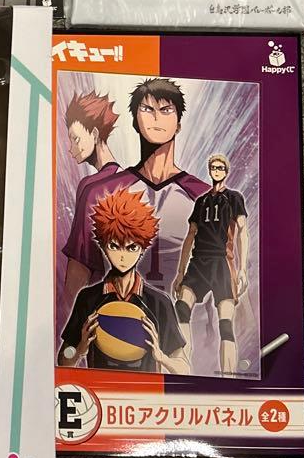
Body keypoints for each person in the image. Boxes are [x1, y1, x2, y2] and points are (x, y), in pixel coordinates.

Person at [61, 78, 208, 300]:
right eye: (147, 109)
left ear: (178, 124)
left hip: (189, 317)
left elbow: (226, 271)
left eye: (166, 110)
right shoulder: (100, 193)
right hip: (117, 314)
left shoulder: (203, 195)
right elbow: (75, 284)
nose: (156, 116)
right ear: (135, 122)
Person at [59, 187, 188, 374]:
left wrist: (162, 357)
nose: (122, 256)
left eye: (131, 247)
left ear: (142, 248)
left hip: (147, 391)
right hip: (100, 389)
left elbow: (184, 368)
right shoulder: (88, 298)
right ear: (103, 245)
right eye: (114, 246)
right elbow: (63, 359)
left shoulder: (159, 302)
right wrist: (79, 350)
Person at [172, 153, 249, 374]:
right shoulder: (201, 201)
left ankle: (228, 377)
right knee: (181, 308)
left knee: (225, 324)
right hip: (198, 262)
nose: (216, 171)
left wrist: (242, 269)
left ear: (226, 171)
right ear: (209, 170)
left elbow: (243, 231)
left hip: (221, 262)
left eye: (220, 167)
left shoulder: (233, 198)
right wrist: (180, 272)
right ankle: (183, 366)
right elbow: (190, 235)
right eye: (213, 167)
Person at [60, 91, 121, 319]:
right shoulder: (128, 180)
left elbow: (80, 263)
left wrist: (66, 314)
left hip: (91, 308)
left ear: (94, 134)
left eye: (75, 139)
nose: (71, 148)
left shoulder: (91, 187)